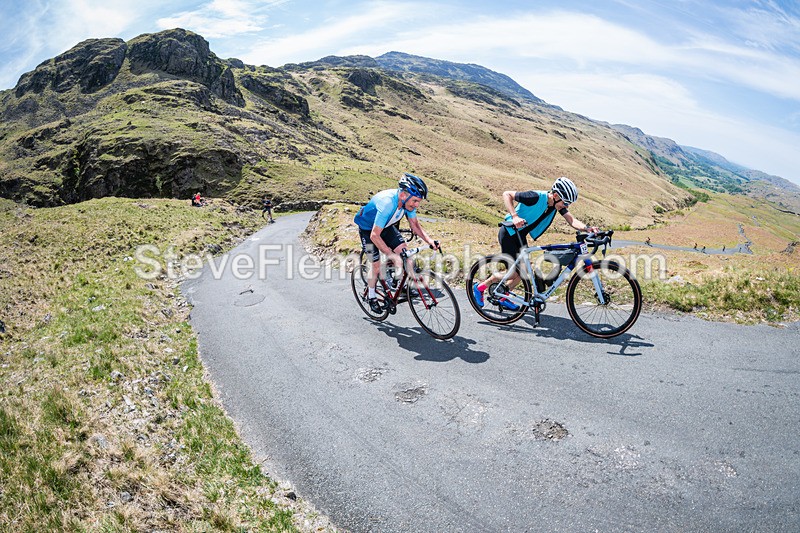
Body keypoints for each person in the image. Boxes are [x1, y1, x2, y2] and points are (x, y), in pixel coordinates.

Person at [472, 177, 598, 309]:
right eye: (566, 202)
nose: (566, 206)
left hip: (520, 235)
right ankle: (480, 288)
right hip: (508, 233)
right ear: (555, 195)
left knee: (524, 271)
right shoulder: (535, 197)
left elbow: (571, 220)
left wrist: (587, 228)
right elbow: (507, 194)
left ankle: (503, 296)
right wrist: (514, 216)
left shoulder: (555, 204)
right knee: (514, 272)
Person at [354, 173, 440, 314]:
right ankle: (371, 296)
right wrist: (391, 255)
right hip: (368, 230)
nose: (416, 205)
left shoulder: (407, 203)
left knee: (406, 255)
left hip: (386, 227)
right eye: (415, 201)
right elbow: (374, 235)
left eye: (418, 201)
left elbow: (415, 225)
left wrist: (429, 241)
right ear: (403, 195)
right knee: (376, 265)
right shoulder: (387, 203)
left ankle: (400, 285)